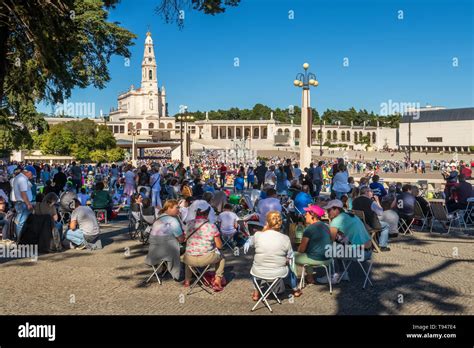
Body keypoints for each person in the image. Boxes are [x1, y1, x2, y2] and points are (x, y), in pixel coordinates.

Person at [247, 211, 301, 300]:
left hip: (258, 271)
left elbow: (252, 245)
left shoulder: (257, 235)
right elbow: (290, 256)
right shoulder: (285, 238)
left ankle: (256, 292)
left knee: (255, 268)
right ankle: (295, 290)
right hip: (278, 272)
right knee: (290, 269)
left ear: (267, 222)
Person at [324, 199, 372, 282]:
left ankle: (333, 277)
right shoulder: (351, 215)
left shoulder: (336, 221)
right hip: (369, 251)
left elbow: (330, 240)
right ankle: (342, 273)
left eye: (329, 210)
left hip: (359, 253)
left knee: (328, 249)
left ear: (336, 209)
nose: (327, 212)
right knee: (339, 246)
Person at [183, 203, 225, 291]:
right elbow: (219, 245)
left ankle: (187, 281)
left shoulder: (188, 224)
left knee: (189, 253)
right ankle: (217, 280)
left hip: (189, 259)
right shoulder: (212, 226)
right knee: (222, 257)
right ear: (206, 214)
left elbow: (184, 239)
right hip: (206, 258)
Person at [145, 199, 185, 281]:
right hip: (167, 251)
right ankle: (186, 272)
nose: (179, 209)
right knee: (189, 247)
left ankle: (163, 268)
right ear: (169, 208)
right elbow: (181, 239)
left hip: (154, 251)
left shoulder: (159, 217)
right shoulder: (172, 220)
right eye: (177, 208)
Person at [294, 204, 332, 285]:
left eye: (307, 213)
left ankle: (292, 283)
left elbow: (301, 249)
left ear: (312, 215)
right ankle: (310, 277)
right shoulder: (326, 226)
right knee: (308, 253)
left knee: (291, 256)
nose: (305, 215)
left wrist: (296, 251)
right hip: (328, 259)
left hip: (316, 259)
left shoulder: (309, 229)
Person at [352, 187, 390, 251]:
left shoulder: (355, 201)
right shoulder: (371, 202)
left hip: (359, 224)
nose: (372, 193)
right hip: (369, 225)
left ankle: (375, 242)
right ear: (367, 192)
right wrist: (377, 201)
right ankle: (383, 246)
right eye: (371, 191)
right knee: (386, 225)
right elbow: (380, 212)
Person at [11, 167, 35, 241]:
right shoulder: (22, 179)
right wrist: (28, 204)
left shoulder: (18, 177)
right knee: (21, 223)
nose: (32, 177)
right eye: (32, 175)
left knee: (19, 221)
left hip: (20, 203)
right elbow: (23, 193)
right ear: (29, 172)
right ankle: (19, 239)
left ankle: (17, 237)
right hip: (23, 203)